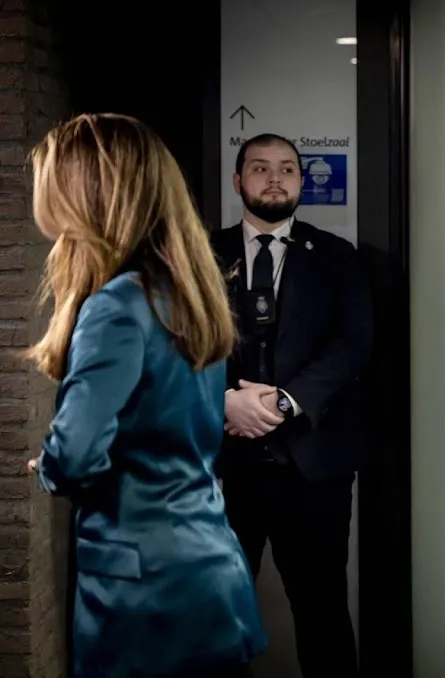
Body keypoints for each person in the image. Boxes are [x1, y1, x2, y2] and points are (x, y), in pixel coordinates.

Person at [23, 113, 266, 678]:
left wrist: (50, 464)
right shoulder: (184, 293)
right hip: (210, 577)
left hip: (144, 599)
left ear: (89, 194)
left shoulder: (115, 305)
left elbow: (75, 455)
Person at [211, 133, 373, 677]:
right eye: (260, 168)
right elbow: (180, 341)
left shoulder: (337, 257)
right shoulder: (200, 254)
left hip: (312, 468)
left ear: (302, 182)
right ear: (239, 182)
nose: (275, 178)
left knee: (323, 613)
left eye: (286, 169)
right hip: (222, 468)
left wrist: (285, 401)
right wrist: (225, 399)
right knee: (216, 616)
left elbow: (352, 344)